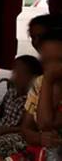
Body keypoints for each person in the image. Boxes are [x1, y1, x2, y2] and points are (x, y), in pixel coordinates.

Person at [20, 24, 62, 160]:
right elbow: (26, 128)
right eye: (46, 61)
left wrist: (48, 81)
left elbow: (46, 124)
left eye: (58, 60)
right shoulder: (39, 83)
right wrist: (38, 137)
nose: (51, 67)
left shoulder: (46, 81)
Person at [0, 55, 43, 158]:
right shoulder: (11, 92)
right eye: (14, 72)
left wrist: (5, 130)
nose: (15, 76)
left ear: (33, 78)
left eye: (20, 73)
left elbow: (31, 129)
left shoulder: (33, 100)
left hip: (16, 136)